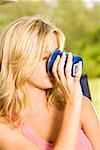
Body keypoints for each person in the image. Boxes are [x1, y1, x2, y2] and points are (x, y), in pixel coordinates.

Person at [0, 16, 99, 150]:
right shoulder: (5, 128)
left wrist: (74, 102)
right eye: (45, 57)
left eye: (56, 54)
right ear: (17, 60)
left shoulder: (82, 105)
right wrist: (72, 103)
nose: (54, 64)